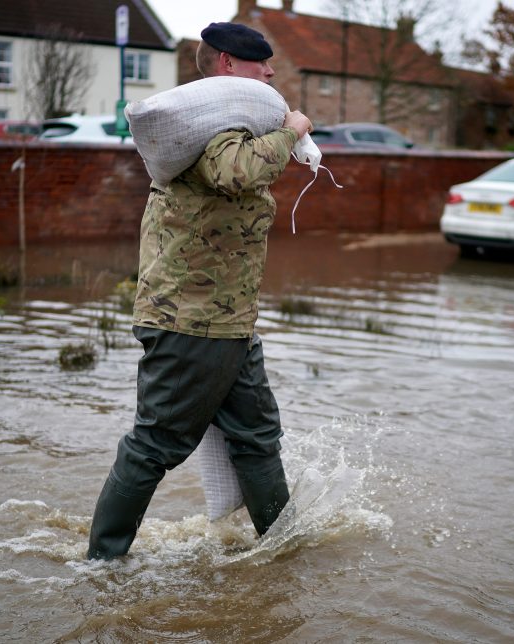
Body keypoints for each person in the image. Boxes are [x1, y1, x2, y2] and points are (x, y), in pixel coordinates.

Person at [87, 22, 314, 560]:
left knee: (257, 437)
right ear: (228, 65)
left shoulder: (225, 123)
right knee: (154, 446)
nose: (272, 71)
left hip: (229, 322)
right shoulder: (214, 128)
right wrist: (291, 130)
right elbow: (235, 173)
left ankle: (283, 556)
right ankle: (100, 567)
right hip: (191, 322)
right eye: (262, 62)